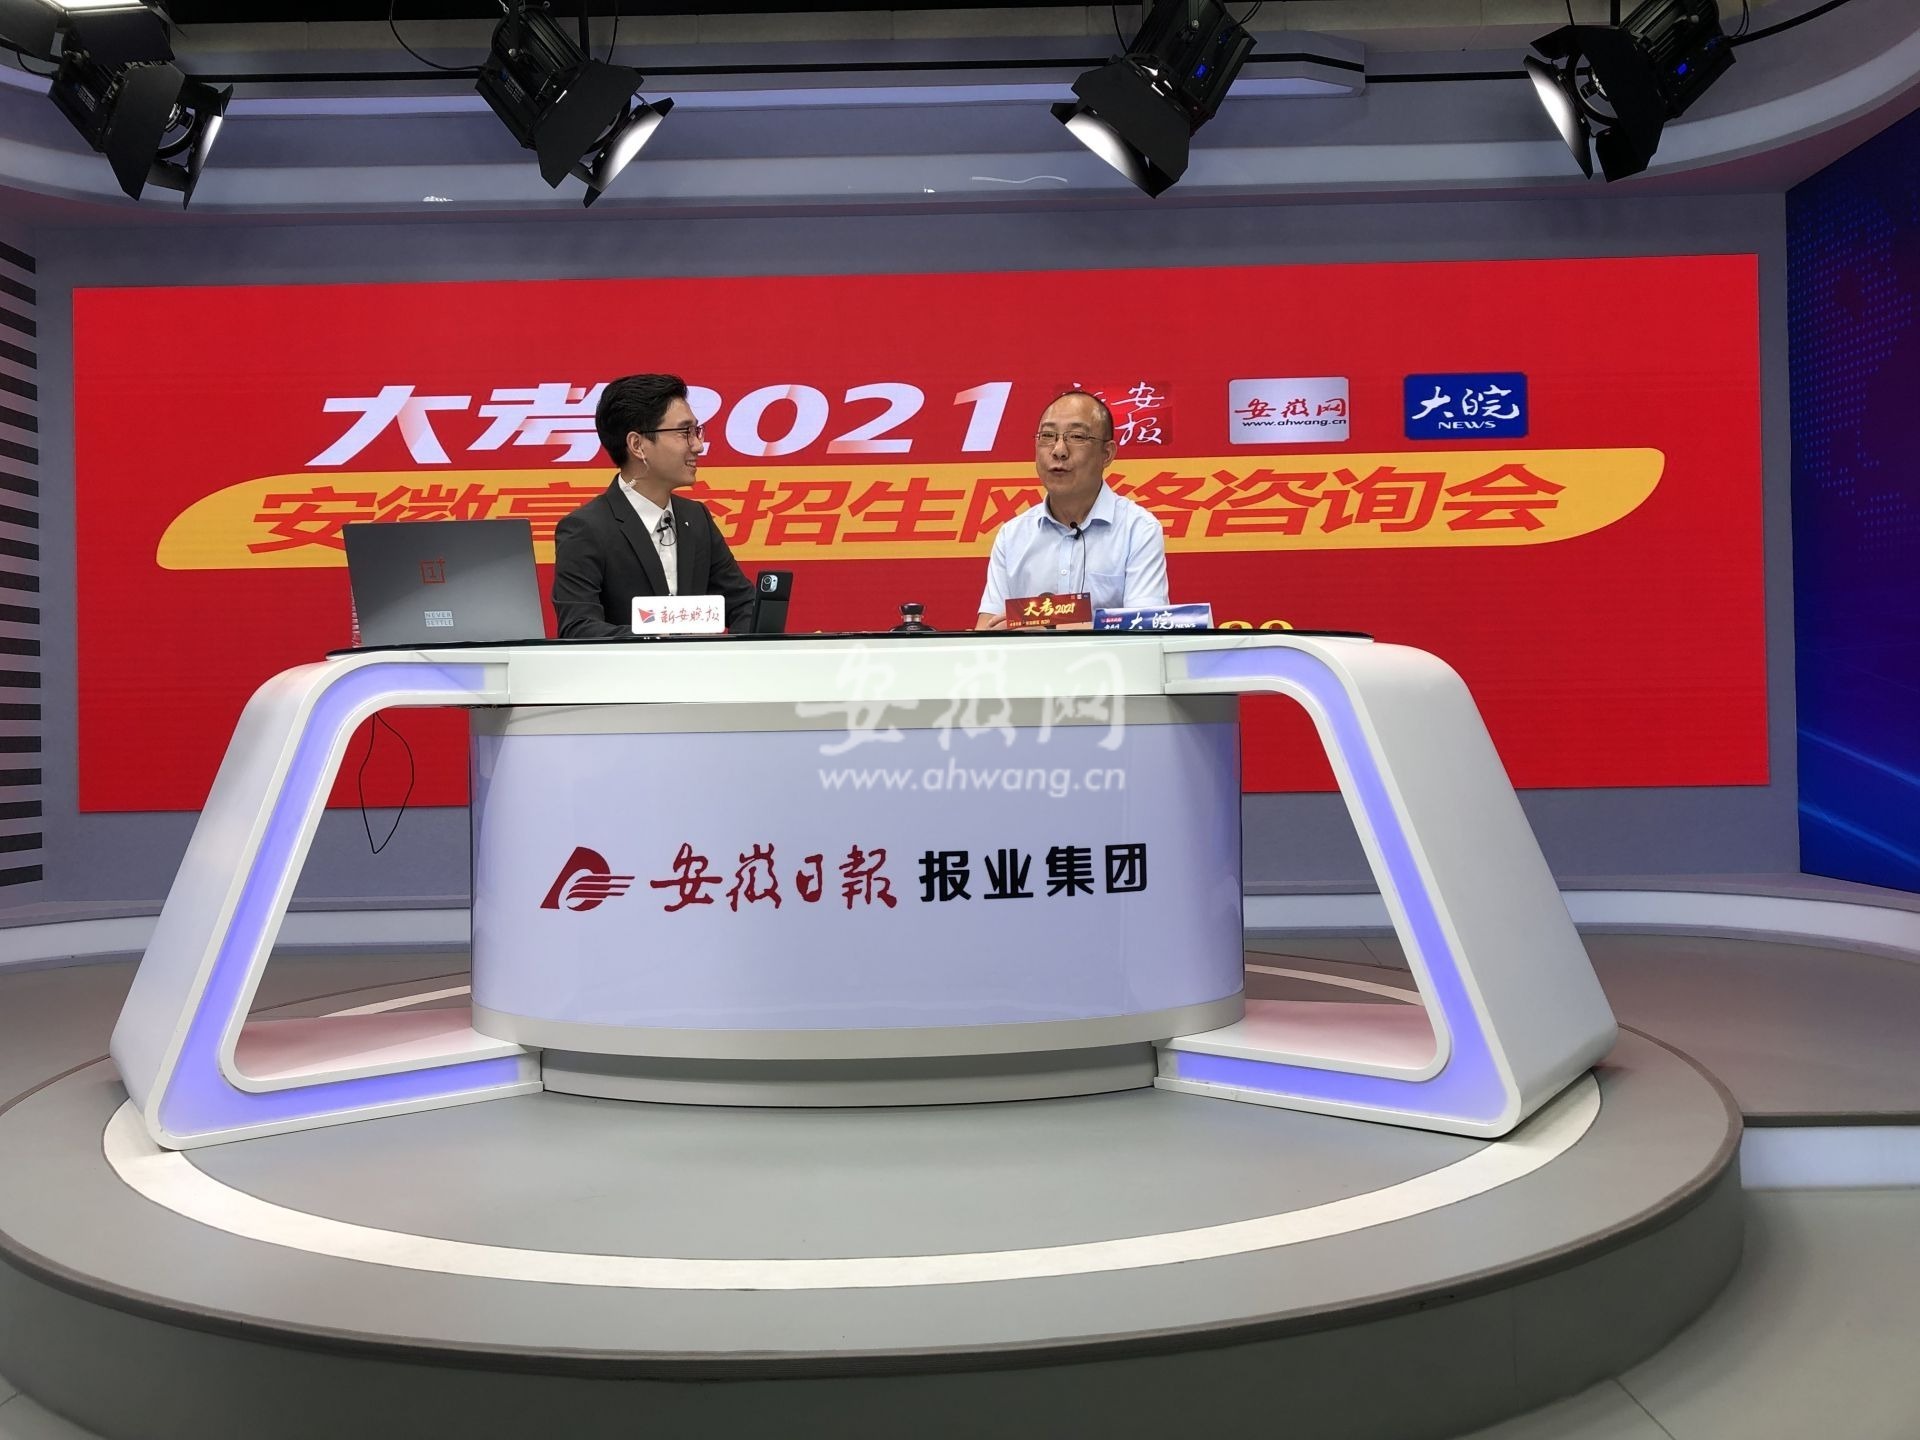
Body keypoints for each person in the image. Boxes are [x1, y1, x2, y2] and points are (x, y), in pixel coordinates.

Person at [551, 373, 755, 638]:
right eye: (684, 432)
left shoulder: (696, 517)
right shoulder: (586, 528)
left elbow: (744, 604)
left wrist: (731, 651)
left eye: (696, 431)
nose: (698, 445)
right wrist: (660, 640)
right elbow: (578, 627)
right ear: (638, 445)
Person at [975, 390, 1169, 628]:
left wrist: (1046, 627)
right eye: (1048, 435)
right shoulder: (1012, 535)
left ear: (1107, 454)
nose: (1058, 450)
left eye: (1076, 436)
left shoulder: (1138, 530)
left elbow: (1145, 628)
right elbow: (987, 629)